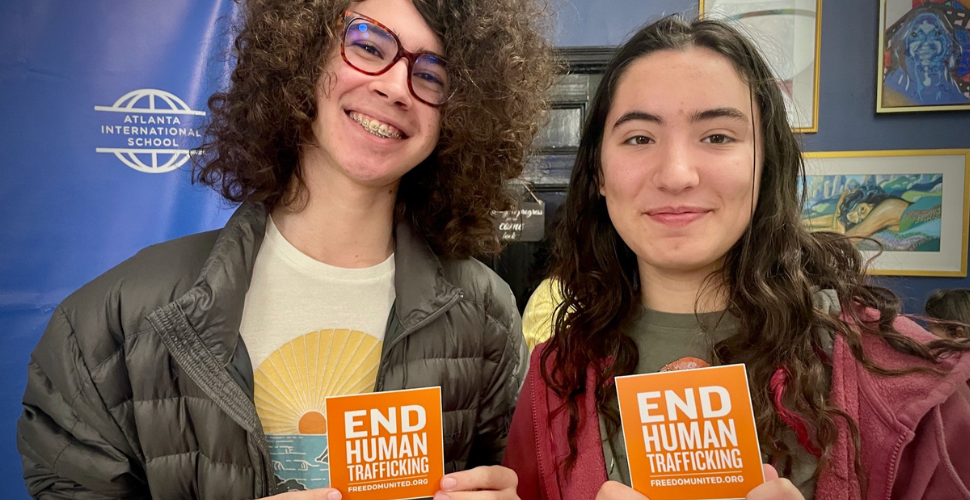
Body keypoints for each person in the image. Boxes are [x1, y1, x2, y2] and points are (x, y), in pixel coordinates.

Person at [16, 0, 554, 497]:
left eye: (431, 75)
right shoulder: (111, 320)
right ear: (300, 53)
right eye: (368, 46)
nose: (396, 86)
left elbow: (501, 471)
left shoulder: (485, 314)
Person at [503, 15, 970, 500]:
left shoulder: (905, 379)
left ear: (766, 165)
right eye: (640, 138)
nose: (677, 174)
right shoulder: (555, 380)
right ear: (599, 172)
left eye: (718, 137)